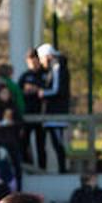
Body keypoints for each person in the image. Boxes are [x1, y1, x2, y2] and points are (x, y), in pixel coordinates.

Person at [35, 44, 70, 173]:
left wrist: (43, 93)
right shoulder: (55, 68)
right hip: (54, 113)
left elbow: (57, 90)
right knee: (55, 143)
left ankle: (63, 170)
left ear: (48, 56)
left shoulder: (58, 68)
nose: (42, 62)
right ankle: (62, 168)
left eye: (42, 59)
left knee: (58, 143)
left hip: (57, 114)